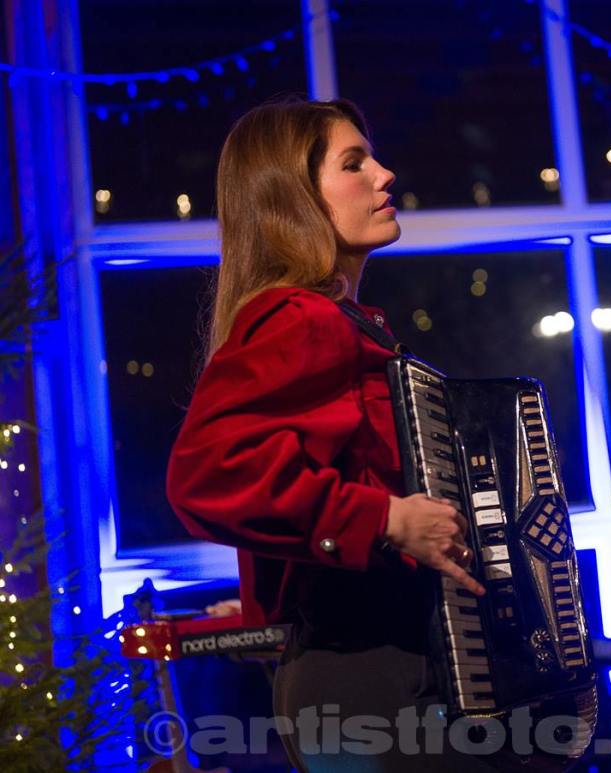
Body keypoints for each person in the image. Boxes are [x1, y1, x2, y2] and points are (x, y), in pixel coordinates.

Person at [165, 98, 559, 772]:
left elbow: (293, 474)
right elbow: (207, 474)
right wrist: (385, 518)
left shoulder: (338, 321)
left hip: (371, 675)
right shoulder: (303, 317)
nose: (384, 173)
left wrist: (273, 604)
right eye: (355, 163)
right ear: (293, 199)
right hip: (366, 682)